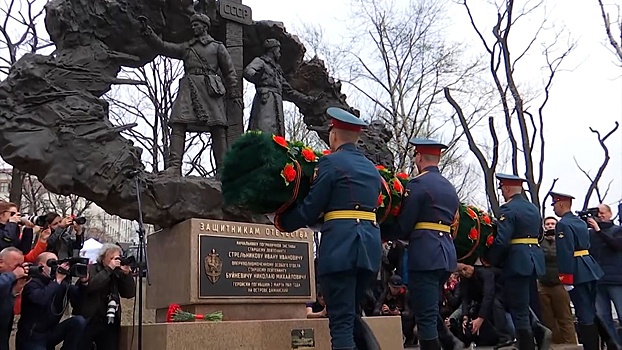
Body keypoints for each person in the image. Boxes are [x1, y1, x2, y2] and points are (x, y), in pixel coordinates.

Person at [274, 107, 382, 350]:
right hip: (368, 250)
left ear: (334, 135)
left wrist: (283, 221)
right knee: (352, 315)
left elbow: (312, 207)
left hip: (342, 249)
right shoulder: (371, 170)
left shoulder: (330, 163)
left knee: (341, 323)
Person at [141, 13, 241, 175]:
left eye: (196, 24)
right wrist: (148, 33)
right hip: (189, 87)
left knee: (218, 127)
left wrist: (234, 92)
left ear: (204, 26)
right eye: (192, 24)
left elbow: (229, 72)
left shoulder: (217, 47)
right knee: (178, 123)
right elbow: (164, 47)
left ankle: (223, 170)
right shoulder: (188, 47)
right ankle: (175, 167)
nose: (193, 27)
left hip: (210, 89)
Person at [385, 138, 461, 350]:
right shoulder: (449, 187)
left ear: (419, 157)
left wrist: (383, 230)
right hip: (445, 254)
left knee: (425, 315)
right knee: (426, 305)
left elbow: (405, 224)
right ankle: (450, 342)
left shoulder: (418, 184)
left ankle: (444, 343)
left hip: (426, 254)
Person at [487, 174, 545, 350]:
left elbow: (503, 240)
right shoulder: (533, 209)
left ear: (505, 188)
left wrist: (492, 259)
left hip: (517, 262)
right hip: (534, 260)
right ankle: (538, 336)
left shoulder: (508, 210)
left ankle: (526, 345)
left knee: (518, 309)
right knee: (528, 302)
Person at [550, 191, 604, 350]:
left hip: (577, 270)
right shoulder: (580, 222)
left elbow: (565, 252)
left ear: (560, 204)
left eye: (554, 205)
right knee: (593, 310)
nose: (553, 209)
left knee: (584, 313)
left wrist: (566, 278)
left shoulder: (563, 224)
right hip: (589, 267)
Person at [16, 252, 88, 350]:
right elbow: (40, 299)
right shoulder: (32, 282)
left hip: (50, 332)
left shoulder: (59, 284)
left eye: (57, 263)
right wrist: (57, 281)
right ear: (41, 266)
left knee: (78, 322)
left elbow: (79, 298)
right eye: (52, 263)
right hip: (32, 336)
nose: (56, 266)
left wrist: (84, 283)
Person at [244, 38, 315, 136]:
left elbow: (289, 90)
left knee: (277, 133)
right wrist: (257, 77)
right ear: (272, 51)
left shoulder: (277, 69)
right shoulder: (261, 61)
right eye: (278, 51)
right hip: (265, 100)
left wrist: (306, 99)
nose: (279, 54)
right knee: (263, 129)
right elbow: (248, 71)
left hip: (277, 102)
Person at [72, 243, 136, 350]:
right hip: (90, 319)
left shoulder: (117, 273)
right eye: (111, 258)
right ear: (102, 259)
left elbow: (129, 293)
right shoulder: (91, 269)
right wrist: (109, 269)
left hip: (110, 321)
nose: (115, 261)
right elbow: (92, 285)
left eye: (117, 258)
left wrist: (126, 275)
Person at [587, 203, 622, 347]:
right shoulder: (590, 234)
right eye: (597, 213)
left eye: (603, 213)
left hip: (616, 279)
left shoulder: (618, 230)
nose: (600, 215)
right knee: (602, 316)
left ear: (610, 214)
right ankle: (615, 345)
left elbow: (616, 246)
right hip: (598, 279)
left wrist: (598, 230)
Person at [538, 216, 577, 345]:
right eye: (547, 224)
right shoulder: (540, 240)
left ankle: (571, 344)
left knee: (564, 317)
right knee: (547, 319)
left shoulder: (563, 239)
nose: (550, 226)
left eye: (552, 223)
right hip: (543, 283)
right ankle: (554, 344)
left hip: (559, 283)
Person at [373, 274, 415, 346]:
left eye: (398, 288)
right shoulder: (385, 293)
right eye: (394, 288)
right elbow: (376, 309)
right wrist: (382, 311)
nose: (396, 290)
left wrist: (399, 313)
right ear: (389, 286)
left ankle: (410, 338)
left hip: (403, 318)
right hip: (390, 317)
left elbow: (409, 313)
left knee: (408, 321)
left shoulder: (405, 293)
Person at [0, 247, 29, 350]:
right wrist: (13, 275)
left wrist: (14, 292)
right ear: (1, 262)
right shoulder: (7, 278)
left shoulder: (9, 283)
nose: (20, 270)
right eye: (17, 266)